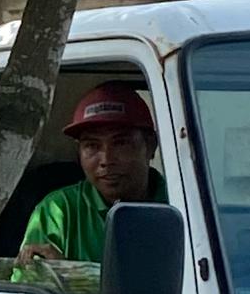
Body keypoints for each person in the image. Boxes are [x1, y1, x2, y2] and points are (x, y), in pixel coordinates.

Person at [18, 79, 166, 268]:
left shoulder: (181, 205)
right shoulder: (58, 212)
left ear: (150, 146)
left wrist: (71, 276)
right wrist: (64, 276)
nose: (106, 159)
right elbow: (28, 283)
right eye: (92, 146)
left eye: (120, 143)